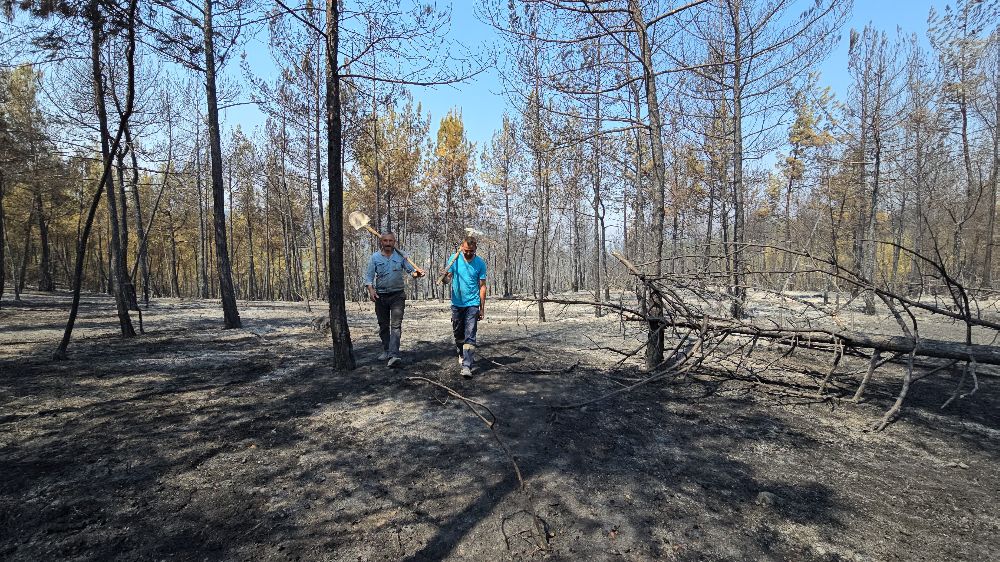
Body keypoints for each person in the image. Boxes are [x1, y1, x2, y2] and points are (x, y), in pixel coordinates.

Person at [363, 232, 424, 367]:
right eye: (385, 240)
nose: (388, 243)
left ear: (394, 242)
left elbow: (411, 272)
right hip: (381, 296)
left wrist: (418, 274)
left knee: (396, 326)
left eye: (390, 241)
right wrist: (371, 291)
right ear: (381, 242)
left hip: (397, 296)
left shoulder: (401, 256)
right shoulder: (375, 257)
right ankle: (387, 350)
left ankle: (393, 355)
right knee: (383, 326)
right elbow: (369, 277)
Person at [442, 235, 487, 379]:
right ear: (462, 247)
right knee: (458, 333)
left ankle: (467, 365)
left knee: (470, 334)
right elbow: (447, 280)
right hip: (457, 303)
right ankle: (461, 352)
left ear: (475, 249)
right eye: (466, 250)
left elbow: (482, 286)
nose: (468, 253)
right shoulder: (454, 259)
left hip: (472, 303)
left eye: (471, 251)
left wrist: (481, 308)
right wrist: (444, 276)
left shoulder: (480, 263)